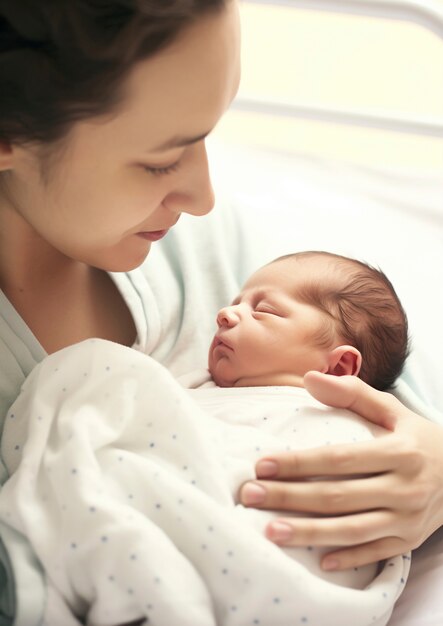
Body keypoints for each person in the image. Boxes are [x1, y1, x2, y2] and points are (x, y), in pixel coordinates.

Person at [0, 1, 442, 625]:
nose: (203, 196)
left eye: (209, 134)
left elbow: (387, 378)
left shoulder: (202, 247)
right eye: (161, 158)